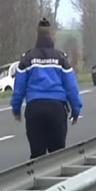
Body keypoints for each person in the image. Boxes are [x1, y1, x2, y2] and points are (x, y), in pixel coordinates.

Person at [11, 18, 83, 159]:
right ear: (52, 35)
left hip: (34, 109)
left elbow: (19, 88)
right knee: (57, 156)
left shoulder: (27, 58)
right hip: (56, 110)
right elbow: (71, 87)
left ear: (37, 35)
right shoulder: (60, 58)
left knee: (37, 155)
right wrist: (76, 109)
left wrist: (16, 108)